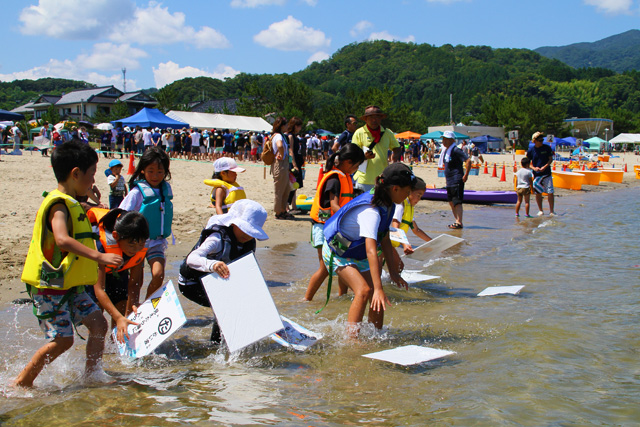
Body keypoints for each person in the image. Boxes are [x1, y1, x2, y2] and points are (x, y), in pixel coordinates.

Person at [14, 141, 122, 387]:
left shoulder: (73, 201)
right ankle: (21, 382)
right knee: (63, 341)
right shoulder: (59, 205)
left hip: (71, 286)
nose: (93, 181)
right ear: (75, 173)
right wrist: (100, 257)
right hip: (50, 287)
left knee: (98, 323)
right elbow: (62, 239)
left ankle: (92, 375)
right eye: (92, 174)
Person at [322, 163, 413, 337]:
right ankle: (352, 341)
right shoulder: (371, 211)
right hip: (338, 251)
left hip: (357, 251)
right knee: (364, 290)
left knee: (376, 294)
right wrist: (378, 288)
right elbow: (372, 251)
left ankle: (376, 335)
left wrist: (393, 272)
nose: (408, 196)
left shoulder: (388, 203)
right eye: (407, 191)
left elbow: (384, 238)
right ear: (395, 188)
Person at [178, 199, 269, 342]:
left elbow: (249, 272)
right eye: (244, 229)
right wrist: (212, 265)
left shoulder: (248, 242)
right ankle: (216, 346)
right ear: (233, 223)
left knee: (239, 304)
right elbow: (192, 259)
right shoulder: (217, 238)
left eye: (252, 232)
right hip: (191, 284)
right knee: (225, 307)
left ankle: (233, 340)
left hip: (214, 283)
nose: (248, 235)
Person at [304, 143, 365, 302]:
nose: (356, 170)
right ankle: (306, 299)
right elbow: (334, 205)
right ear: (348, 162)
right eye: (356, 166)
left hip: (335, 227)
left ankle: (342, 297)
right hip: (324, 228)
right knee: (325, 268)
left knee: (343, 262)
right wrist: (354, 221)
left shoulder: (344, 176)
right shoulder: (335, 179)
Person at [85, 208, 148, 342]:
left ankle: (116, 346)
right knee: (98, 319)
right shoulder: (101, 246)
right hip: (95, 277)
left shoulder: (138, 249)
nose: (136, 249)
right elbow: (99, 290)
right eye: (132, 244)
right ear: (115, 236)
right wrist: (119, 317)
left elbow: (134, 283)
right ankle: (96, 352)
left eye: (141, 243)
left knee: (122, 307)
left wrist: (131, 310)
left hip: (118, 273)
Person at [119, 147, 173, 299]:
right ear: (142, 170)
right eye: (151, 171)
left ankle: (146, 308)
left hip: (156, 242)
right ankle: (132, 312)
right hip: (137, 243)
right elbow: (121, 213)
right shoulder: (137, 193)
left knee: (158, 274)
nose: (155, 176)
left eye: (160, 172)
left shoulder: (165, 191)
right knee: (136, 281)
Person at [352, 105, 401, 194]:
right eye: (371, 117)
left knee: (382, 206)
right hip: (364, 179)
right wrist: (364, 156)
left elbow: (397, 148)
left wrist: (395, 159)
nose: (374, 120)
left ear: (381, 118)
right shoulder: (359, 133)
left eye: (377, 117)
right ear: (365, 119)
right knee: (364, 206)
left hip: (382, 178)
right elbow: (353, 153)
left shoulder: (387, 132)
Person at [391, 177, 432, 259]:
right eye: (418, 195)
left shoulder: (410, 208)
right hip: (385, 245)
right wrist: (405, 244)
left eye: (421, 196)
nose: (419, 199)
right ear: (409, 191)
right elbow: (394, 228)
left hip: (392, 245)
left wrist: (432, 242)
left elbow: (416, 230)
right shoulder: (401, 205)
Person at [440, 131, 471, 229]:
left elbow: (468, 160)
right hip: (449, 180)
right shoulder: (446, 151)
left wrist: (466, 175)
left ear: (452, 140)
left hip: (456, 179)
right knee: (450, 201)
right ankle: (456, 220)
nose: (444, 141)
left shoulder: (456, 150)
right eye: (443, 139)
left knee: (457, 201)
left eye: (446, 139)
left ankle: (459, 222)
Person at [270, 117, 295, 220]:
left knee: (285, 188)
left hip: (282, 164)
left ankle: (283, 210)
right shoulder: (278, 136)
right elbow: (279, 145)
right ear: (281, 126)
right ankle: (278, 211)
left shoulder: (280, 135)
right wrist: (282, 153)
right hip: (279, 164)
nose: (287, 127)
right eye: (285, 125)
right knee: (280, 189)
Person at [527, 131, 556, 216]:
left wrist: (545, 166)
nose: (541, 142)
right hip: (537, 174)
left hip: (547, 173)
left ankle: (551, 211)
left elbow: (550, 159)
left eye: (542, 140)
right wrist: (534, 168)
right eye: (539, 140)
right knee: (538, 193)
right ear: (535, 141)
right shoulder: (531, 150)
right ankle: (541, 210)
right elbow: (527, 162)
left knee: (550, 192)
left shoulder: (547, 148)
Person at [287, 117, 305, 214]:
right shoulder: (290, 136)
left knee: (295, 185)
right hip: (293, 163)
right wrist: (294, 164)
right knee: (291, 185)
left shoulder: (294, 136)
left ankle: (294, 206)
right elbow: (291, 151)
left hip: (297, 162)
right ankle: (288, 206)